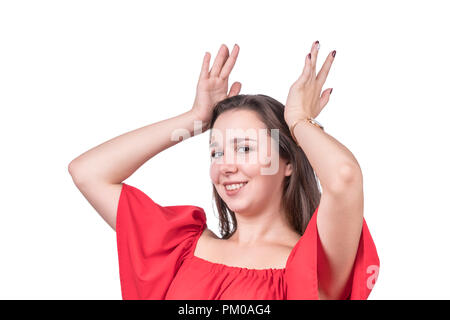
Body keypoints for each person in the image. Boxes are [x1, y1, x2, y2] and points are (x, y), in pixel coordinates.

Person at [68, 41, 380, 300]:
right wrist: (196, 118)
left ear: (287, 163)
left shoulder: (314, 264)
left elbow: (344, 177)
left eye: (245, 148)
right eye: (216, 151)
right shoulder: (182, 248)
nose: (226, 166)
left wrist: (298, 121)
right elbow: (88, 172)